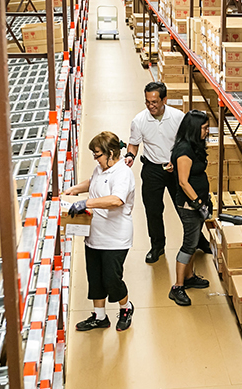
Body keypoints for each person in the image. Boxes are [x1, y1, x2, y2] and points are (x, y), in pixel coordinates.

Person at [125, 81, 212, 264]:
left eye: (155, 102)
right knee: (153, 210)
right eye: (148, 102)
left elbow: (186, 141)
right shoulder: (139, 120)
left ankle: (198, 240)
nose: (151, 106)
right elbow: (134, 143)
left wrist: (177, 161)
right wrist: (130, 156)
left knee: (187, 208)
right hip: (152, 169)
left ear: (164, 99)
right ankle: (157, 246)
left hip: (175, 168)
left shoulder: (178, 117)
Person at [64, 131, 136, 331]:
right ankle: (100, 316)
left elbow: (116, 200)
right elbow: (93, 180)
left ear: (111, 153)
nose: (95, 159)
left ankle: (126, 308)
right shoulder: (101, 168)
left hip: (115, 237)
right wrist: (75, 189)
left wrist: (86, 202)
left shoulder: (123, 174)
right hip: (94, 235)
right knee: (95, 278)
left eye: (98, 154)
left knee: (112, 280)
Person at [168, 110, 212, 306]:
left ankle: (189, 276)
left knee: (193, 242)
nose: (207, 131)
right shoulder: (185, 150)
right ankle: (177, 286)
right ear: (194, 129)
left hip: (197, 203)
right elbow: (184, 182)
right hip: (189, 205)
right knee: (188, 244)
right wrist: (198, 204)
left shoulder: (194, 146)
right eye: (204, 128)